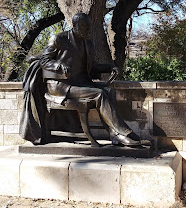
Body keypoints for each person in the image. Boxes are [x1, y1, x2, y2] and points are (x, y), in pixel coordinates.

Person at [38, 12, 140, 146]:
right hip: (61, 86)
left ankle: (115, 135)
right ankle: (123, 132)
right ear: (74, 25)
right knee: (99, 94)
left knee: (108, 91)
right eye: (84, 26)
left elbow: (91, 68)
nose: (87, 29)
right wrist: (59, 66)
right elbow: (44, 60)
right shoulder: (59, 39)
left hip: (80, 84)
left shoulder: (88, 44)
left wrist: (110, 68)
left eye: (88, 26)